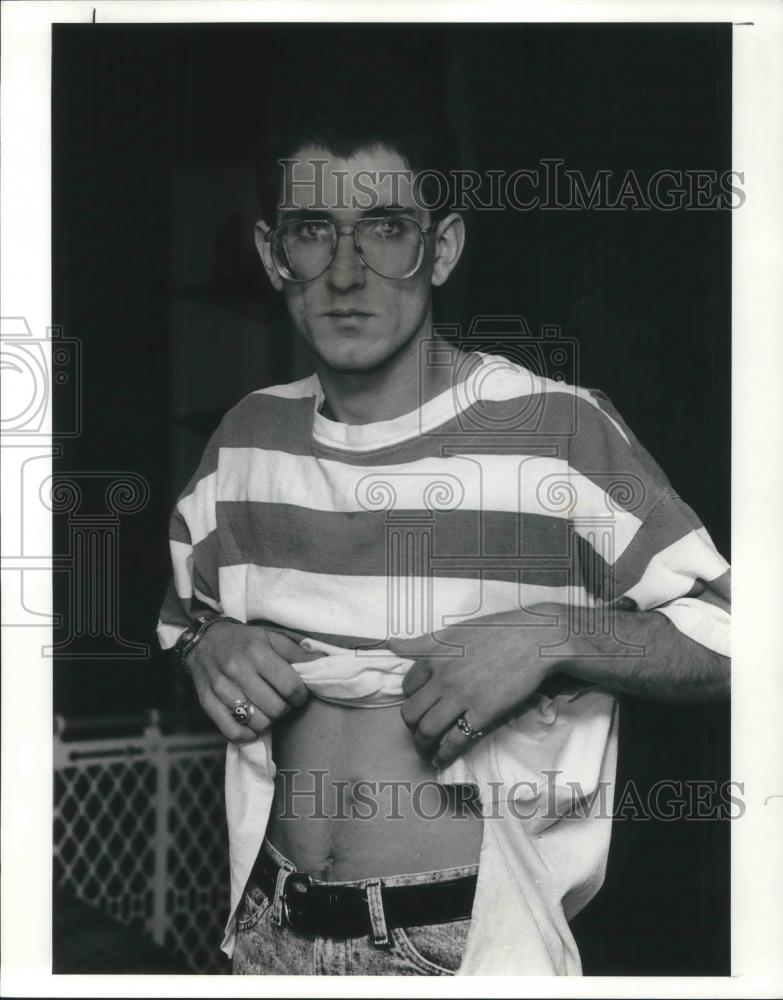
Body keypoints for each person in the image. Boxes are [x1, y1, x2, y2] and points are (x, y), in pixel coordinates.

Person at [157, 77, 730, 976]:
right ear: (273, 253)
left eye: (385, 228)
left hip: (459, 946)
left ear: (443, 245)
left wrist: (552, 635)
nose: (345, 273)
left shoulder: (556, 431)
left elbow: (743, 642)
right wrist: (206, 643)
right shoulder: (244, 440)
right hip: (270, 926)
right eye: (313, 231)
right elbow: (185, 617)